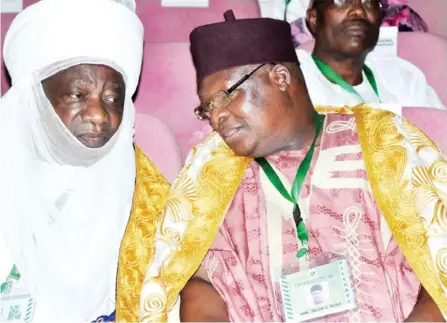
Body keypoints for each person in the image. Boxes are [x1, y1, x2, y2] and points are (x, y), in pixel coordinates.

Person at [134, 10, 447, 323]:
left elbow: (440, 252)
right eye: (208, 107)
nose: (217, 117)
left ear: (280, 77)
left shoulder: (384, 141)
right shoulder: (210, 171)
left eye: (225, 96)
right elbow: (196, 278)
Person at [0, 0, 181, 321]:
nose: (99, 114)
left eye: (113, 98)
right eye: (77, 94)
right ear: (34, 99)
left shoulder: (149, 199)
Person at [296, 0, 445, 110]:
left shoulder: (404, 78)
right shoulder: (292, 80)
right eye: (342, 1)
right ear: (314, 19)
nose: (359, 11)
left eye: (368, 2)